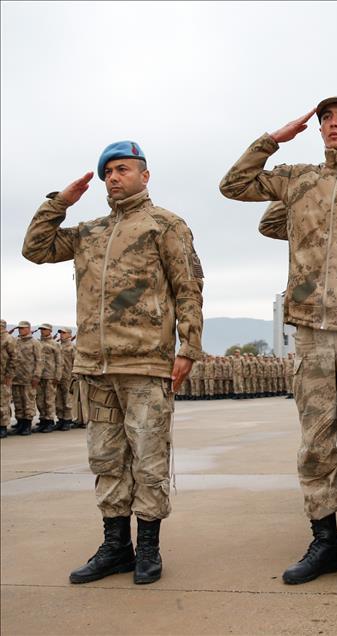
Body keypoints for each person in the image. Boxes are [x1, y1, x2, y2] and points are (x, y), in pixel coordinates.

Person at [219, 96, 337, 588]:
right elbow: (233, 185)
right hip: (311, 331)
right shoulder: (299, 177)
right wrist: (272, 140)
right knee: (315, 443)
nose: (332, 124)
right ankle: (323, 538)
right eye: (326, 118)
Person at [22, 140, 204, 585]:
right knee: (106, 459)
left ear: (145, 175)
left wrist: (188, 348)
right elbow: (35, 248)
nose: (113, 178)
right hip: (95, 366)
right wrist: (59, 202)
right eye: (108, 173)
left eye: (123, 169)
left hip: (145, 364)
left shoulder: (165, 225)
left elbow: (188, 287)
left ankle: (148, 549)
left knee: (148, 459)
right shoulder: (90, 232)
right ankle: (115, 546)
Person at [10, 321, 42, 436]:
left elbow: (39, 361)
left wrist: (37, 376)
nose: (20, 330)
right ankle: (20, 423)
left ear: (28, 329)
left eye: (23, 328)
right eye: (19, 328)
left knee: (28, 402)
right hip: (16, 377)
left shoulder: (35, 343)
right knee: (18, 402)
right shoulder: (16, 342)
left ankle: (27, 425)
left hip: (29, 378)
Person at [0, 319, 18, 438]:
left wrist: (9, 375)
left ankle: (3, 427)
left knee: (3, 402)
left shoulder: (8, 339)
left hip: (3, 377)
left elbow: (14, 358)